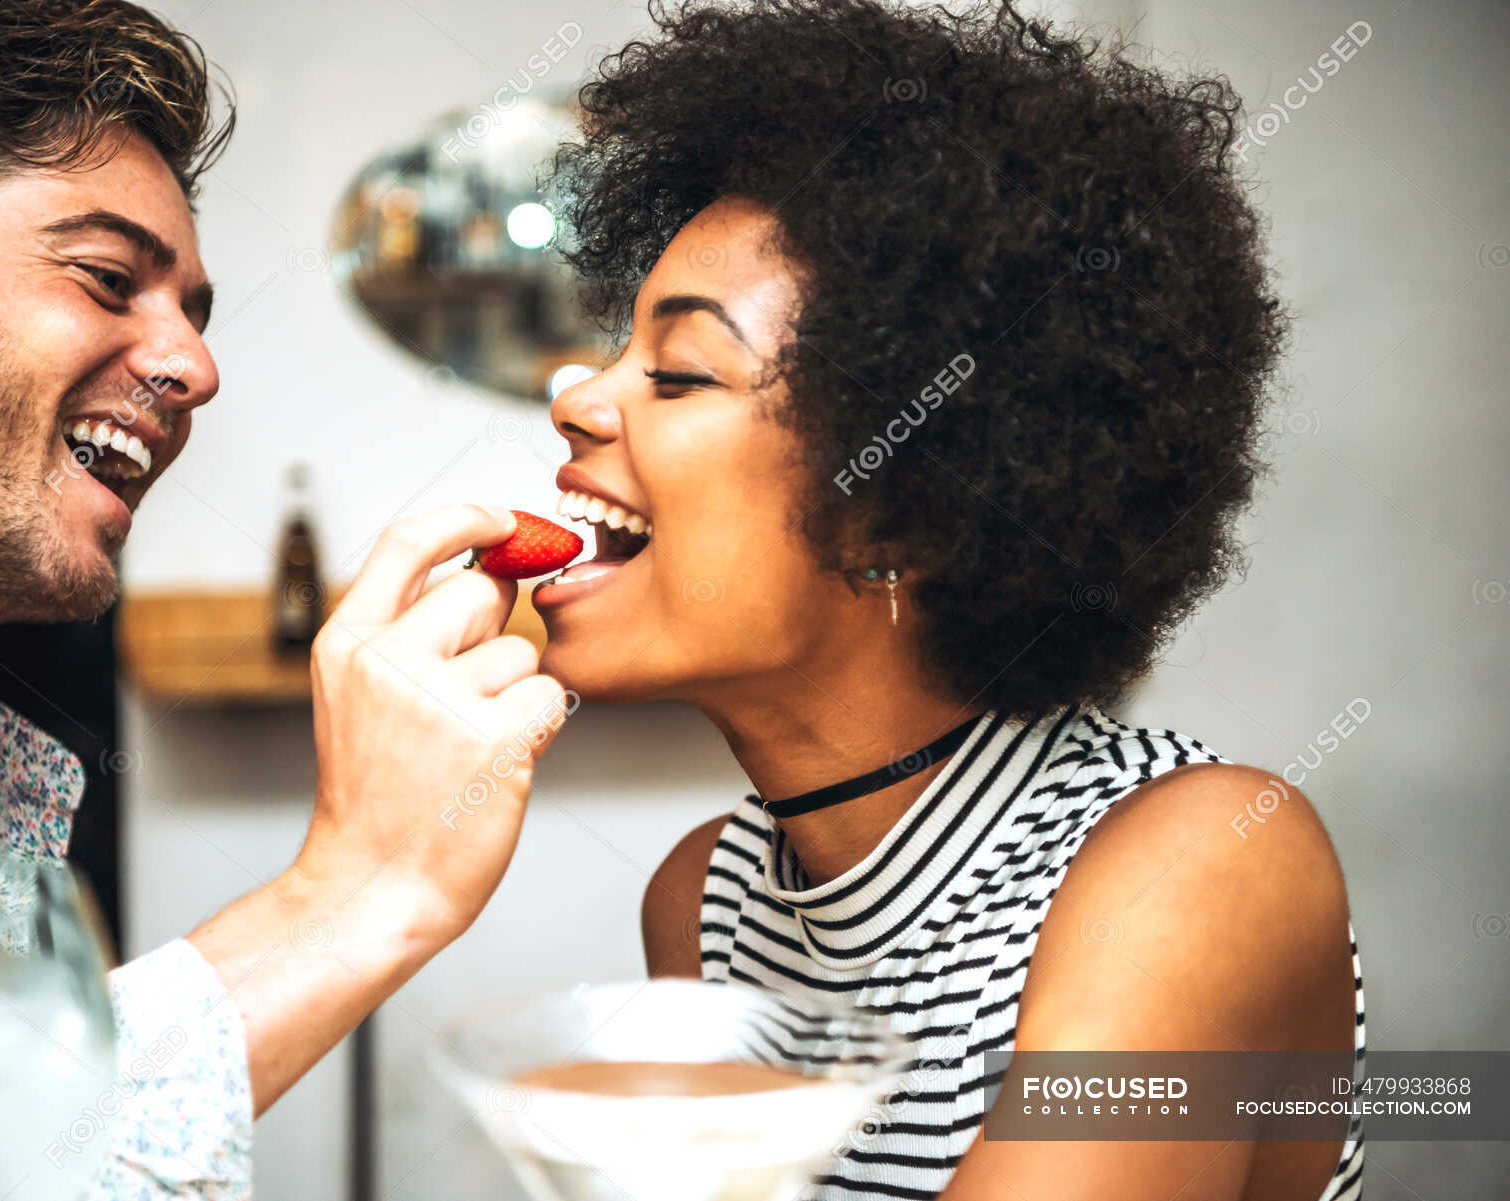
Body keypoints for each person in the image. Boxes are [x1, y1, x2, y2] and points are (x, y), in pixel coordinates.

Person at [0, 2, 566, 1196]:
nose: (196, 368)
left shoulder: (5, 785)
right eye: (108, 279)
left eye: (193, 312)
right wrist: (359, 885)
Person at [531, 2, 1362, 1198]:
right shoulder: (704, 906)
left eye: (677, 371)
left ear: (903, 512)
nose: (574, 400)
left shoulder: (1202, 859)